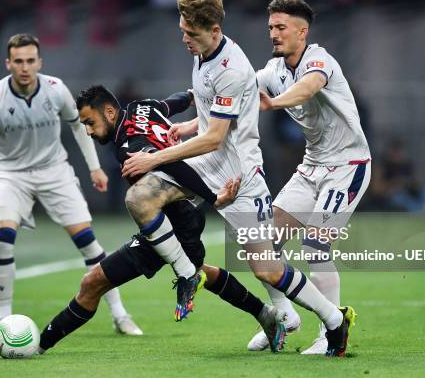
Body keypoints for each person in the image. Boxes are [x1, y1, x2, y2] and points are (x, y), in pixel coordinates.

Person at [121, 0, 355, 357]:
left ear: (214, 31)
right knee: (140, 197)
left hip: (239, 175)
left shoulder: (236, 67)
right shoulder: (205, 52)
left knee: (267, 266)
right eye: (182, 30)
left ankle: (331, 320)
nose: (184, 38)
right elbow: (210, 106)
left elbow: (216, 137)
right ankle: (187, 274)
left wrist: (155, 157)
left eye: (191, 33)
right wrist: (186, 125)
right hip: (209, 165)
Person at [37, 85, 286, 354]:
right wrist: (192, 95)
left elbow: (170, 163)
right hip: (175, 217)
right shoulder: (142, 107)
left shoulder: (129, 147)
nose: (87, 130)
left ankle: (38, 346)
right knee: (200, 272)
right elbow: (172, 103)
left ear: (109, 112)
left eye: (90, 122)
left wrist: (213, 198)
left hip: (176, 218)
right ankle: (265, 314)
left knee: (95, 282)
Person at [0, 33, 141, 336]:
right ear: (8, 63)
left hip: (55, 171)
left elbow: (80, 127)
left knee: (88, 243)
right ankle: (2, 317)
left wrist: (95, 168)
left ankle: (120, 314)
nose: (24, 67)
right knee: (2, 236)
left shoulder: (55, 90)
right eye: (18, 61)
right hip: (11, 174)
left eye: (30, 61)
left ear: (39, 62)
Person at [250, 0, 371, 354]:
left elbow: (309, 86)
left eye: (281, 27)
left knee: (315, 246)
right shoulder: (274, 71)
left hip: (348, 167)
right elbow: (237, 93)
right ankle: (285, 317)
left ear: (302, 31)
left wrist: (274, 102)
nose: (273, 33)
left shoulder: (319, 60)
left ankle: (328, 334)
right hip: (312, 166)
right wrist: (190, 120)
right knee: (262, 246)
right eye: (271, 26)